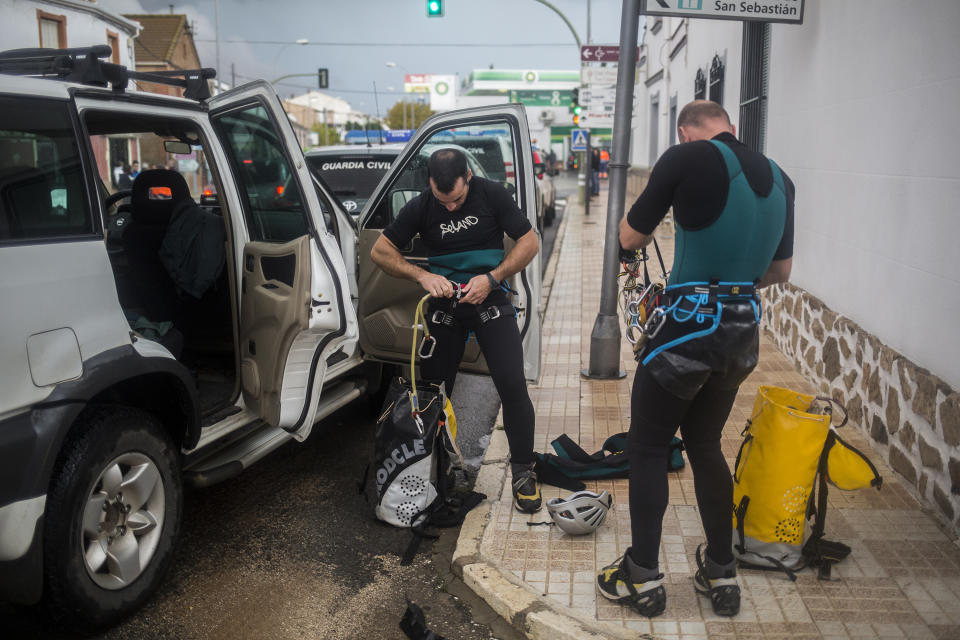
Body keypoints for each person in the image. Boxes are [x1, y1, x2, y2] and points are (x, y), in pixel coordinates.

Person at [596, 100, 794, 618]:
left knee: (648, 446)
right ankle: (721, 573)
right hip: (741, 330)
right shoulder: (781, 179)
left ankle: (641, 577)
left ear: (687, 131)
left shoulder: (685, 158)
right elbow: (780, 271)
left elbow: (630, 237)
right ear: (730, 124)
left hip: (688, 323)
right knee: (705, 444)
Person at [370, 148, 543, 513]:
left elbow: (530, 242)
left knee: (512, 383)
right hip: (445, 306)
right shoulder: (421, 205)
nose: (449, 208)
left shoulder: (492, 193)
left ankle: (524, 473)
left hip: (490, 298)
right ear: (430, 184)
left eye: (457, 200)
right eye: (441, 200)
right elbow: (379, 252)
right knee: (430, 390)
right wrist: (423, 275)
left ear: (468, 176)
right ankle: (434, 468)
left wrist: (493, 277)